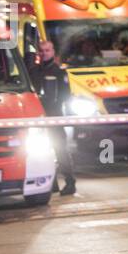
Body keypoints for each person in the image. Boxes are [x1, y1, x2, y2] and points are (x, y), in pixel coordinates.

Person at [27, 37, 77, 195]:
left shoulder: (59, 72)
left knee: (60, 150)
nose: (44, 54)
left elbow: (66, 96)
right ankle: (51, 183)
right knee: (42, 152)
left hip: (55, 116)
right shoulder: (33, 71)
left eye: (47, 50)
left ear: (53, 52)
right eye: (41, 51)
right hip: (38, 118)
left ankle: (70, 182)